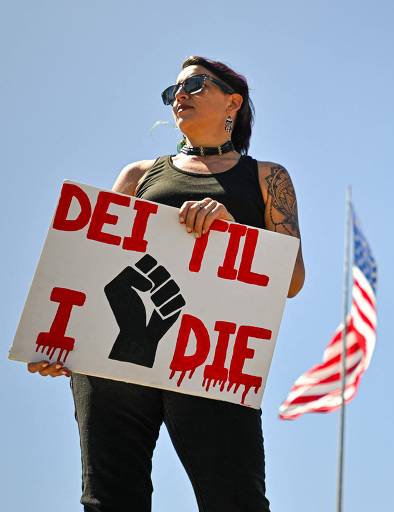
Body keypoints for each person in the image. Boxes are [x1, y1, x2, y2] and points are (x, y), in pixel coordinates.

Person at [27, 55, 305, 512]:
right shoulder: (137, 176)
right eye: (172, 91)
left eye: (195, 84)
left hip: (209, 361)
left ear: (233, 102)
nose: (179, 96)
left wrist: (234, 230)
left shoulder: (267, 178)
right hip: (115, 359)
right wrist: (63, 340)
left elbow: (292, 280)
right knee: (109, 500)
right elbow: (94, 266)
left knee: (235, 500)